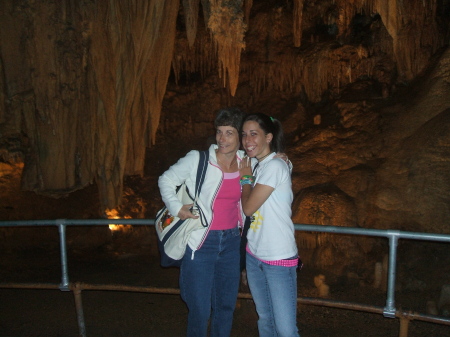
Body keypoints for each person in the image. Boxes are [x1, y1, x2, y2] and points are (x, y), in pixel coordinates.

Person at [158, 107, 246, 337]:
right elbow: (166, 179)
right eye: (219, 132)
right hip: (201, 242)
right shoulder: (198, 159)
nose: (222, 138)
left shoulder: (247, 162)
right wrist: (176, 208)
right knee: (199, 309)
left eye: (229, 132)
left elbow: (274, 169)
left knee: (225, 307)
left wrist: (283, 158)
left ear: (240, 137)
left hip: (231, 243)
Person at [239, 113, 300, 337]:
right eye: (244, 135)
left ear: (268, 137)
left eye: (254, 134)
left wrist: (245, 180)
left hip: (278, 258)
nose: (248, 140)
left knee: (285, 330)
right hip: (254, 255)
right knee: (265, 320)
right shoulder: (257, 163)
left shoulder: (274, 166)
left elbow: (248, 209)